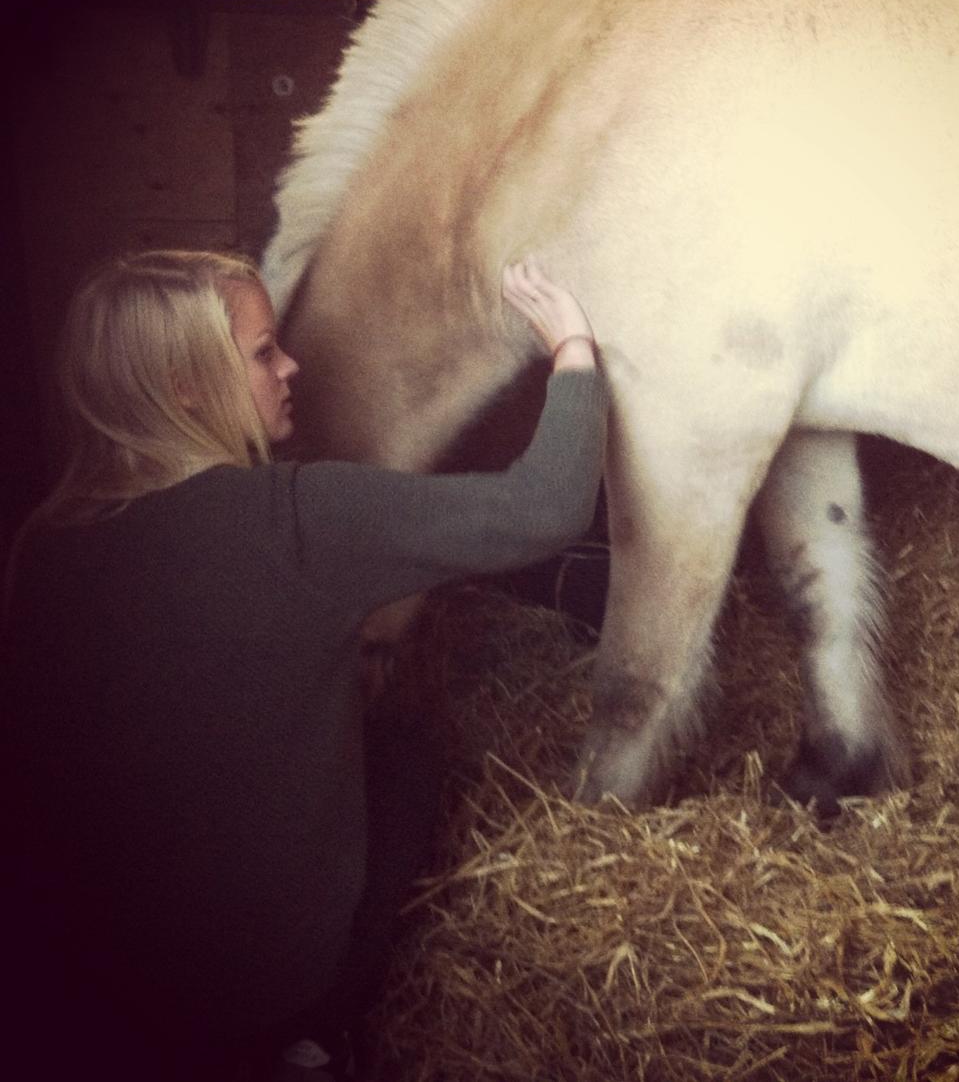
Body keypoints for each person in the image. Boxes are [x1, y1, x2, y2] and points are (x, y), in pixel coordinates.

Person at [1, 250, 606, 1081]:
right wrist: (573, 344)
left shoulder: (40, 544)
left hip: (92, 981)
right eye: (261, 352)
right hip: (260, 985)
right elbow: (547, 506)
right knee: (409, 756)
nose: (291, 367)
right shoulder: (294, 518)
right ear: (185, 384)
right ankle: (322, 1027)